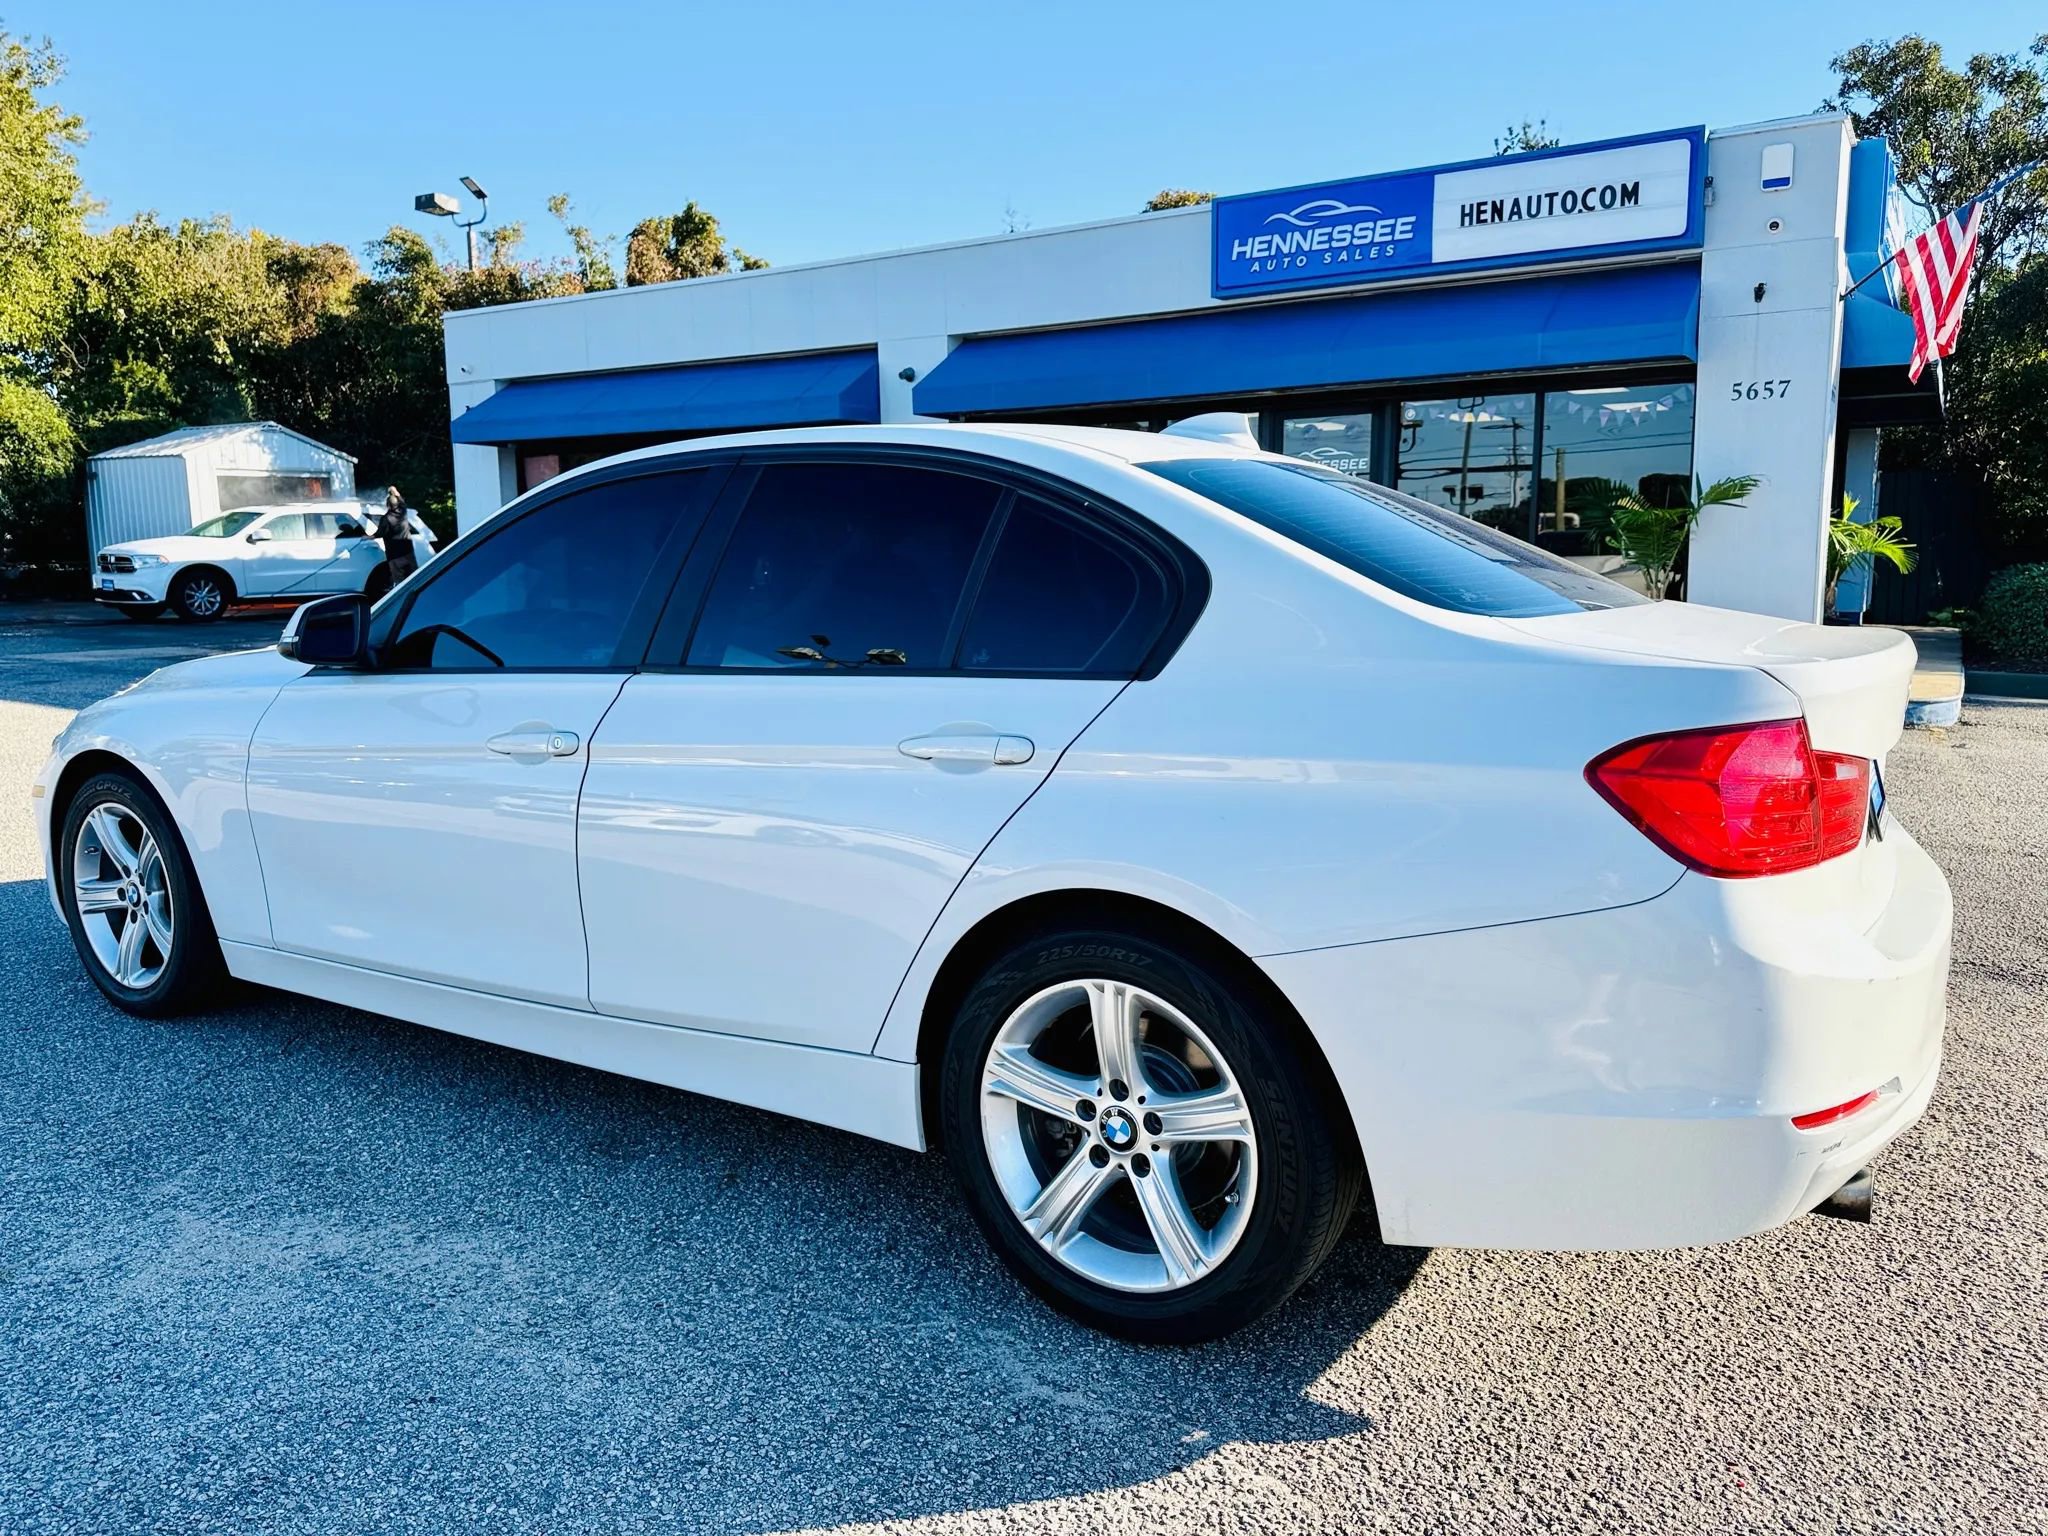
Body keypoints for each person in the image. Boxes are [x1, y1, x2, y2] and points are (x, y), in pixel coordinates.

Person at [375, 486, 419, 586]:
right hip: (408, 552)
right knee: (414, 577)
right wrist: (394, 491)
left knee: (399, 580)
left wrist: (369, 536)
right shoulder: (403, 512)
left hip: (394, 554)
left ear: (388, 505)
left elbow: (380, 533)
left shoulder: (386, 519)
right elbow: (402, 501)